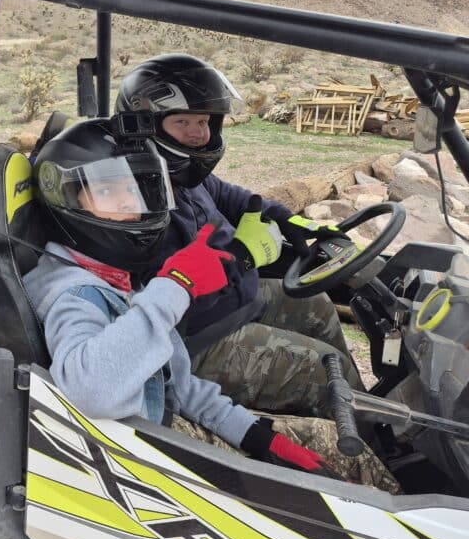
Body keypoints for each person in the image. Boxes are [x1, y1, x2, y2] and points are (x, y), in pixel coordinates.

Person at [24, 118, 398, 492]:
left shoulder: (116, 276)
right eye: (107, 191)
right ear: (68, 199)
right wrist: (175, 285)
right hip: (147, 453)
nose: (129, 205)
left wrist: (256, 435)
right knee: (347, 457)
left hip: (168, 417)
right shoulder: (75, 295)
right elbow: (92, 391)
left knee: (338, 448)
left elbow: (177, 382)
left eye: (132, 189)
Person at [115, 54, 364, 416]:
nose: (198, 133)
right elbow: (173, 295)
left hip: (237, 299)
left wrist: (286, 219)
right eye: (182, 121)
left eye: (203, 121)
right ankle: (374, 453)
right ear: (143, 122)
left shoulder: (181, 172)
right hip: (196, 339)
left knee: (316, 304)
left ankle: (367, 422)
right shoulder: (133, 199)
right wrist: (240, 255)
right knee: (326, 371)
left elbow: (229, 196)